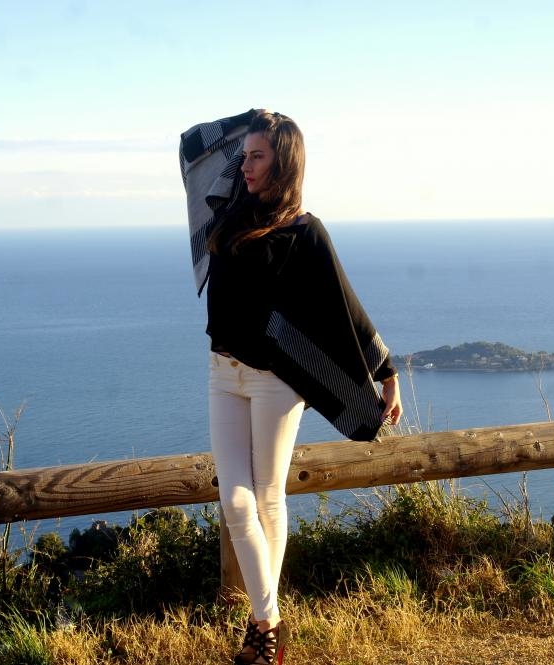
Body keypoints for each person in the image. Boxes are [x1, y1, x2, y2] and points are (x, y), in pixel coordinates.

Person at [180, 109, 402, 665]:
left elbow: (344, 304)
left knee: (265, 497)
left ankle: (262, 634)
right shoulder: (229, 208)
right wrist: (256, 119)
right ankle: (271, 625)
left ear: (284, 163)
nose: (245, 166)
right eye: (245, 155)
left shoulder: (305, 231)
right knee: (235, 500)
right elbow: (194, 144)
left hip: (275, 381)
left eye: (258, 156)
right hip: (222, 373)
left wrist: (385, 371)